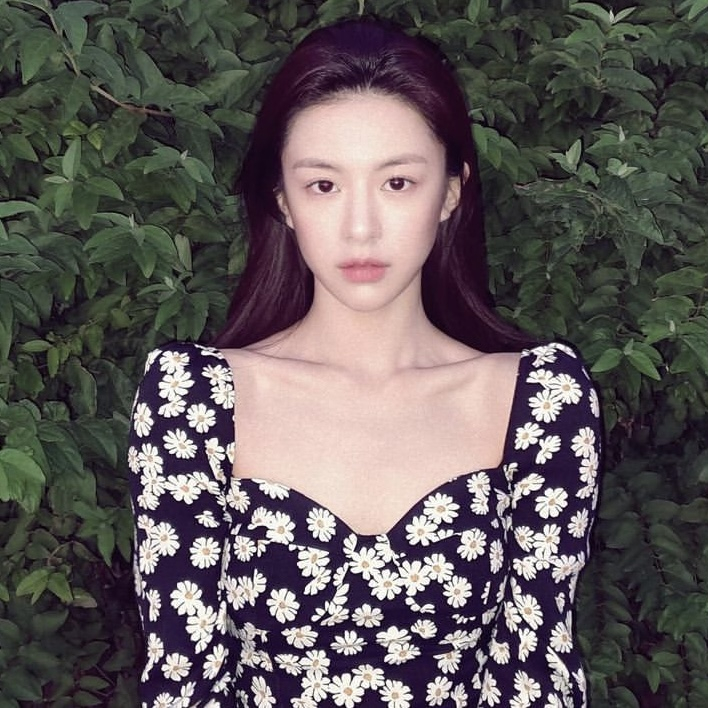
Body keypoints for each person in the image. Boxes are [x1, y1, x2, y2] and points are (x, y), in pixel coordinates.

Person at [128, 18, 602, 708]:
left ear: (450, 191)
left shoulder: (539, 401)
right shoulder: (194, 400)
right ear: (283, 199)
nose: (361, 228)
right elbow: (182, 681)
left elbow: (537, 674)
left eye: (397, 183)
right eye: (324, 185)